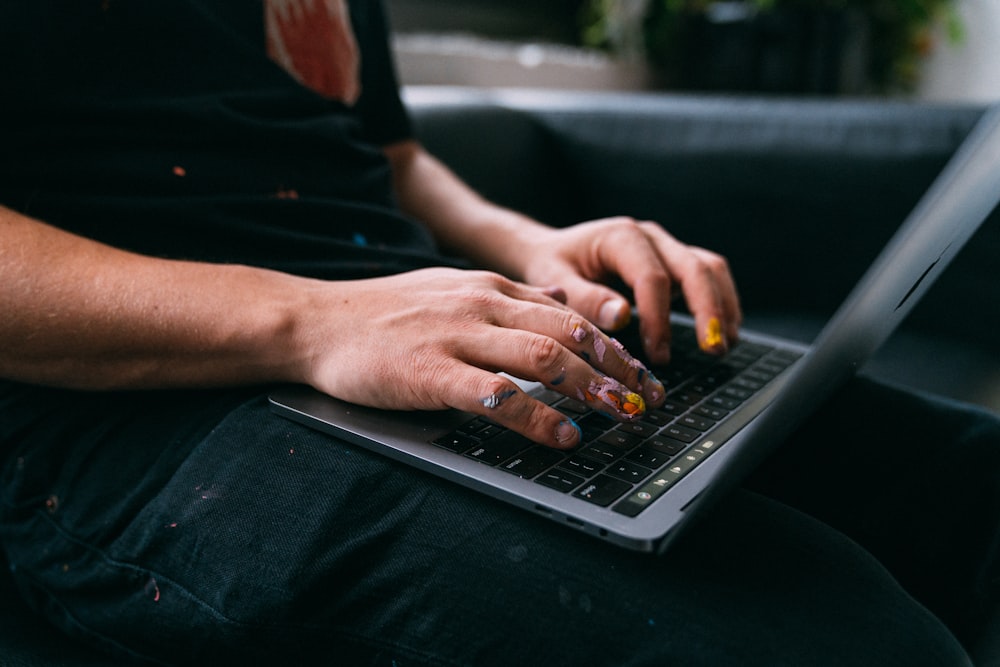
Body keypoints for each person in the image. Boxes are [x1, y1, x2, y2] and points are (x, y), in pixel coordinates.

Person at [0, 2, 996, 665]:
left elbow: (382, 154)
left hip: (403, 329)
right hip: (132, 416)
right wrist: (316, 319)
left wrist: (528, 246)